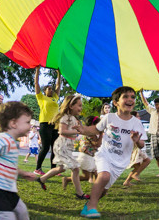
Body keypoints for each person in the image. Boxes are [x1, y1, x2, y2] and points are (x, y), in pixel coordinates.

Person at [75, 86, 147, 218]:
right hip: (105, 155)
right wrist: (83, 129)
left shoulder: (136, 123)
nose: (130, 99)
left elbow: (142, 144)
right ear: (116, 103)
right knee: (104, 176)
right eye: (125, 96)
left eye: (132, 97)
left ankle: (89, 205)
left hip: (120, 163)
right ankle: (92, 207)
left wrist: (137, 140)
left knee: (103, 191)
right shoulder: (109, 117)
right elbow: (95, 130)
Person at [37, 94, 89, 199]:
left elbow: (76, 131)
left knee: (61, 169)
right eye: (79, 105)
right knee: (75, 169)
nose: (81, 108)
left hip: (67, 146)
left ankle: (42, 179)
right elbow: (62, 131)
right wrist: (77, 131)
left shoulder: (73, 118)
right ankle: (80, 193)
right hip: (62, 145)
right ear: (71, 106)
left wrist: (81, 130)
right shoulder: (66, 118)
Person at [34, 67, 61, 175]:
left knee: (54, 147)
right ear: (44, 91)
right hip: (45, 124)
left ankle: (53, 169)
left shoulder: (55, 98)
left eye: (51, 88)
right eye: (48, 88)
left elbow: (58, 86)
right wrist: (37, 71)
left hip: (55, 125)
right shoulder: (41, 98)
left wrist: (59, 74)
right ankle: (38, 168)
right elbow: (36, 84)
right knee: (45, 147)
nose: (51, 89)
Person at [64, 116, 100, 188]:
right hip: (86, 157)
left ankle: (99, 189)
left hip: (88, 156)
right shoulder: (91, 133)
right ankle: (67, 179)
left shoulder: (87, 131)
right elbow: (96, 144)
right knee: (87, 176)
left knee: (96, 174)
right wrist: (101, 135)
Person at [123, 111, 151, 186]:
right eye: (138, 116)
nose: (139, 118)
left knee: (140, 164)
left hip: (135, 148)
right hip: (134, 149)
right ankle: (135, 175)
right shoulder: (134, 126)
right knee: (146, 161)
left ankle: (127, 181)